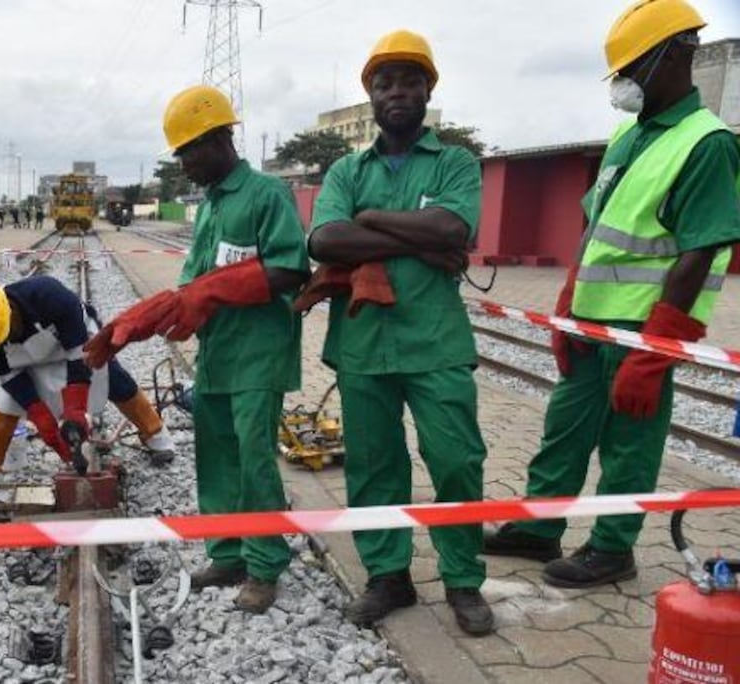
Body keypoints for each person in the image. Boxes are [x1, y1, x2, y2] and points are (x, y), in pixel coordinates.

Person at [485, 0, 740, 588]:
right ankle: (538, 528)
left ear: (678, 53)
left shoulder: (707, 143)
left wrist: (655, 351)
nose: (623, 83)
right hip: (591, 326)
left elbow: (697, 252)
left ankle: (612, 548)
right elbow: (598, 228)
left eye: (634, 66)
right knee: (564, 432)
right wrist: (567, 306)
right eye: (619, 72)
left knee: (629, 443)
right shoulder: (628, 135)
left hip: (642, 330)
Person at [84, 85, 309, 613]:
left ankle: (264, 564)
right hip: (217, 356)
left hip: (259, 354)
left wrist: (213, 290)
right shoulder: (209, 208)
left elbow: (290, 268)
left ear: (219, 139)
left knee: (254, 460)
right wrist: (159, 314)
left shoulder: (265, 195)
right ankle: (227, 550)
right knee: (216, 458)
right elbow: (192, 283)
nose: (184, 164)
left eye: (188, 150)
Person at [303, 30, 493, 635]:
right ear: (371, 96)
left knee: (456, 459)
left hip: (435, 342)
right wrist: (422, 238)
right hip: (363, 346)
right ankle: (389, 578)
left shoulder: (456, 161)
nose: (397, 92)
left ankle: (463, 580)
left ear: (427, 89)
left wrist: (375, 220)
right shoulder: (345, 168)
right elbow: (325, 240)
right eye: (384, 83)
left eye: (409, 80)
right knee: (375, 467)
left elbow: (453, 228)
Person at [0, 277, 176, 501]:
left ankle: (156, 434)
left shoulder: (50, 296)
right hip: (23, 362)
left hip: (74, 346)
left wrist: (75, 408)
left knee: (114, 377)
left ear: (10, 307)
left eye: (7, 328)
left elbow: (78, 356)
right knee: (5, 405)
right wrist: (41, 418)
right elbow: (10, 378)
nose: (6, 337)